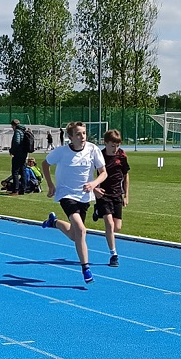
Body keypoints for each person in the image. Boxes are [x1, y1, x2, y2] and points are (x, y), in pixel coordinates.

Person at [40, 121, 107, 284]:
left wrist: (93, 184)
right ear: (70, 137)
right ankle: (86, 268)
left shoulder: (93, 149)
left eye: (84, 133)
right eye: (78, 134)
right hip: (66, 195)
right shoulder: (61, 152)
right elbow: (45, 164)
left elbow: (103, 173)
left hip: (84, 197)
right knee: (82, 231)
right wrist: (50, 185)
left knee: (74, 235)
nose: (82, 136)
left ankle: (54, 222)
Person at [92, 129, 131, 268]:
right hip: (103, 194)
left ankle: (98, 211)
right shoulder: (99, 156)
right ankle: (113, 255)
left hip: (117, 194)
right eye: (112, 146)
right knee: (109, 224)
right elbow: (88, 174)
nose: (115, 149)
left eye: (117, 146)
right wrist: (94, 188)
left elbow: (126, 175)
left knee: (117, 227)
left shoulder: (122, 156)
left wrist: (126, 195)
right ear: (106, 143)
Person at [7, 119, 28, 196]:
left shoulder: (17, 131)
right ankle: (23, 189)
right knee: (23, 171)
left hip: (18, 154)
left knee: (15, 172)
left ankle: (15, 190)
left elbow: (16, 142)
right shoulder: (24, 130)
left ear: (14, 125)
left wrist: (12, 151)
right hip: (24, 154)